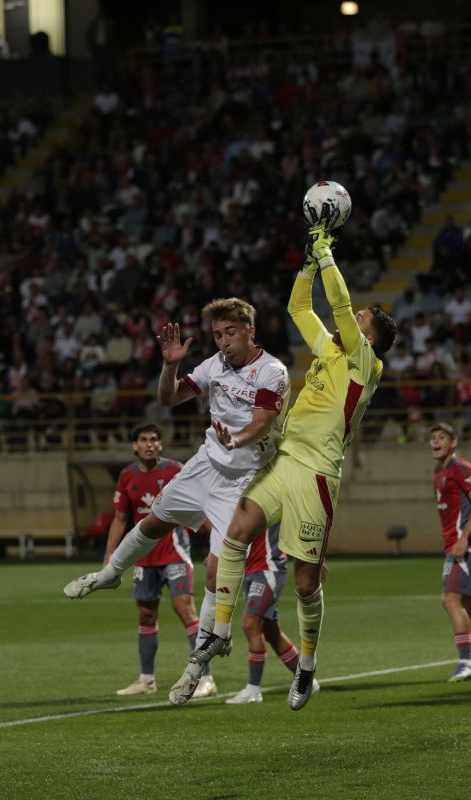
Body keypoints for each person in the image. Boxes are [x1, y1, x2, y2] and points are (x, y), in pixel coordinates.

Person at [172, 218, 398, 709]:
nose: (352, 319)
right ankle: (221, 632)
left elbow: (336, 303)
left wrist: (327, 253)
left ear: (372, 339)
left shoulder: (365, 364)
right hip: (284, 459)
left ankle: (308, 667)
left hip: (317, 475)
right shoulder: (330, 349)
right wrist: (307, 263)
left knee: (304, 582)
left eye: (361, 320)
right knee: (234, 534)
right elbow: (300, 306)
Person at [63, 297, 292, 703]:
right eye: (218, 334)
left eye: (231, 332)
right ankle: (110, 573)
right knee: (154, 521)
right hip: (206, 463)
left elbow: (261, 424)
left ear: (250, 330)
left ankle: (194, 668)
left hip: (243, 481)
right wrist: (169, 365)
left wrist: (234, 439)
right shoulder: (213, 366)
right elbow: (168, 399)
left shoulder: (271, 371)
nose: (223, 341)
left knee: (216, 570)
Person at [107, 423, 202, 697]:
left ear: (160, 445)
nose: (149, 444)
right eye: (143, 440)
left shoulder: (175, 470)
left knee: (185, 610)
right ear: (134, 446)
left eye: (154, 440)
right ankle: (147, 680)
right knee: (146, 615)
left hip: (174, 553)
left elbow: (197, 503)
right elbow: (120, 518)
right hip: (143, 557)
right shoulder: (127, 476)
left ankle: (204, 678)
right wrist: (110, 555)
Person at [429, 422, 471, 682]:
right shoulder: (439, 471)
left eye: (442, 437)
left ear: (453, 442)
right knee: (468, 603)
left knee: (450, 600)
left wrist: (464, 538)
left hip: (468, 544)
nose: (435, 442)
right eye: (433, 438)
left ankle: (466, 662)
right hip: (456, 544)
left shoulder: (461, 468)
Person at [227, 523, 313, 705]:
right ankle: (306, 680)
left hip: (268, 568)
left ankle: (253, 690)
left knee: (250, 623)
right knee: (271, 631)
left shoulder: (271, 497)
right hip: (250, 568)